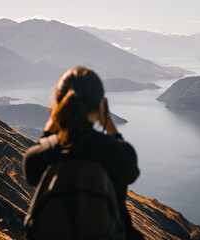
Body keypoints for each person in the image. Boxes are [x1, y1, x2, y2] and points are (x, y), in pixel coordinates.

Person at [23, 67, 144, 239]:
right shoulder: (119, 154)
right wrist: (112, 129)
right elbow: (131, 174)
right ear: (100, 105)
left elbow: (32, 176)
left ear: (59, 104)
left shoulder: (37, 157)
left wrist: (48, 132)